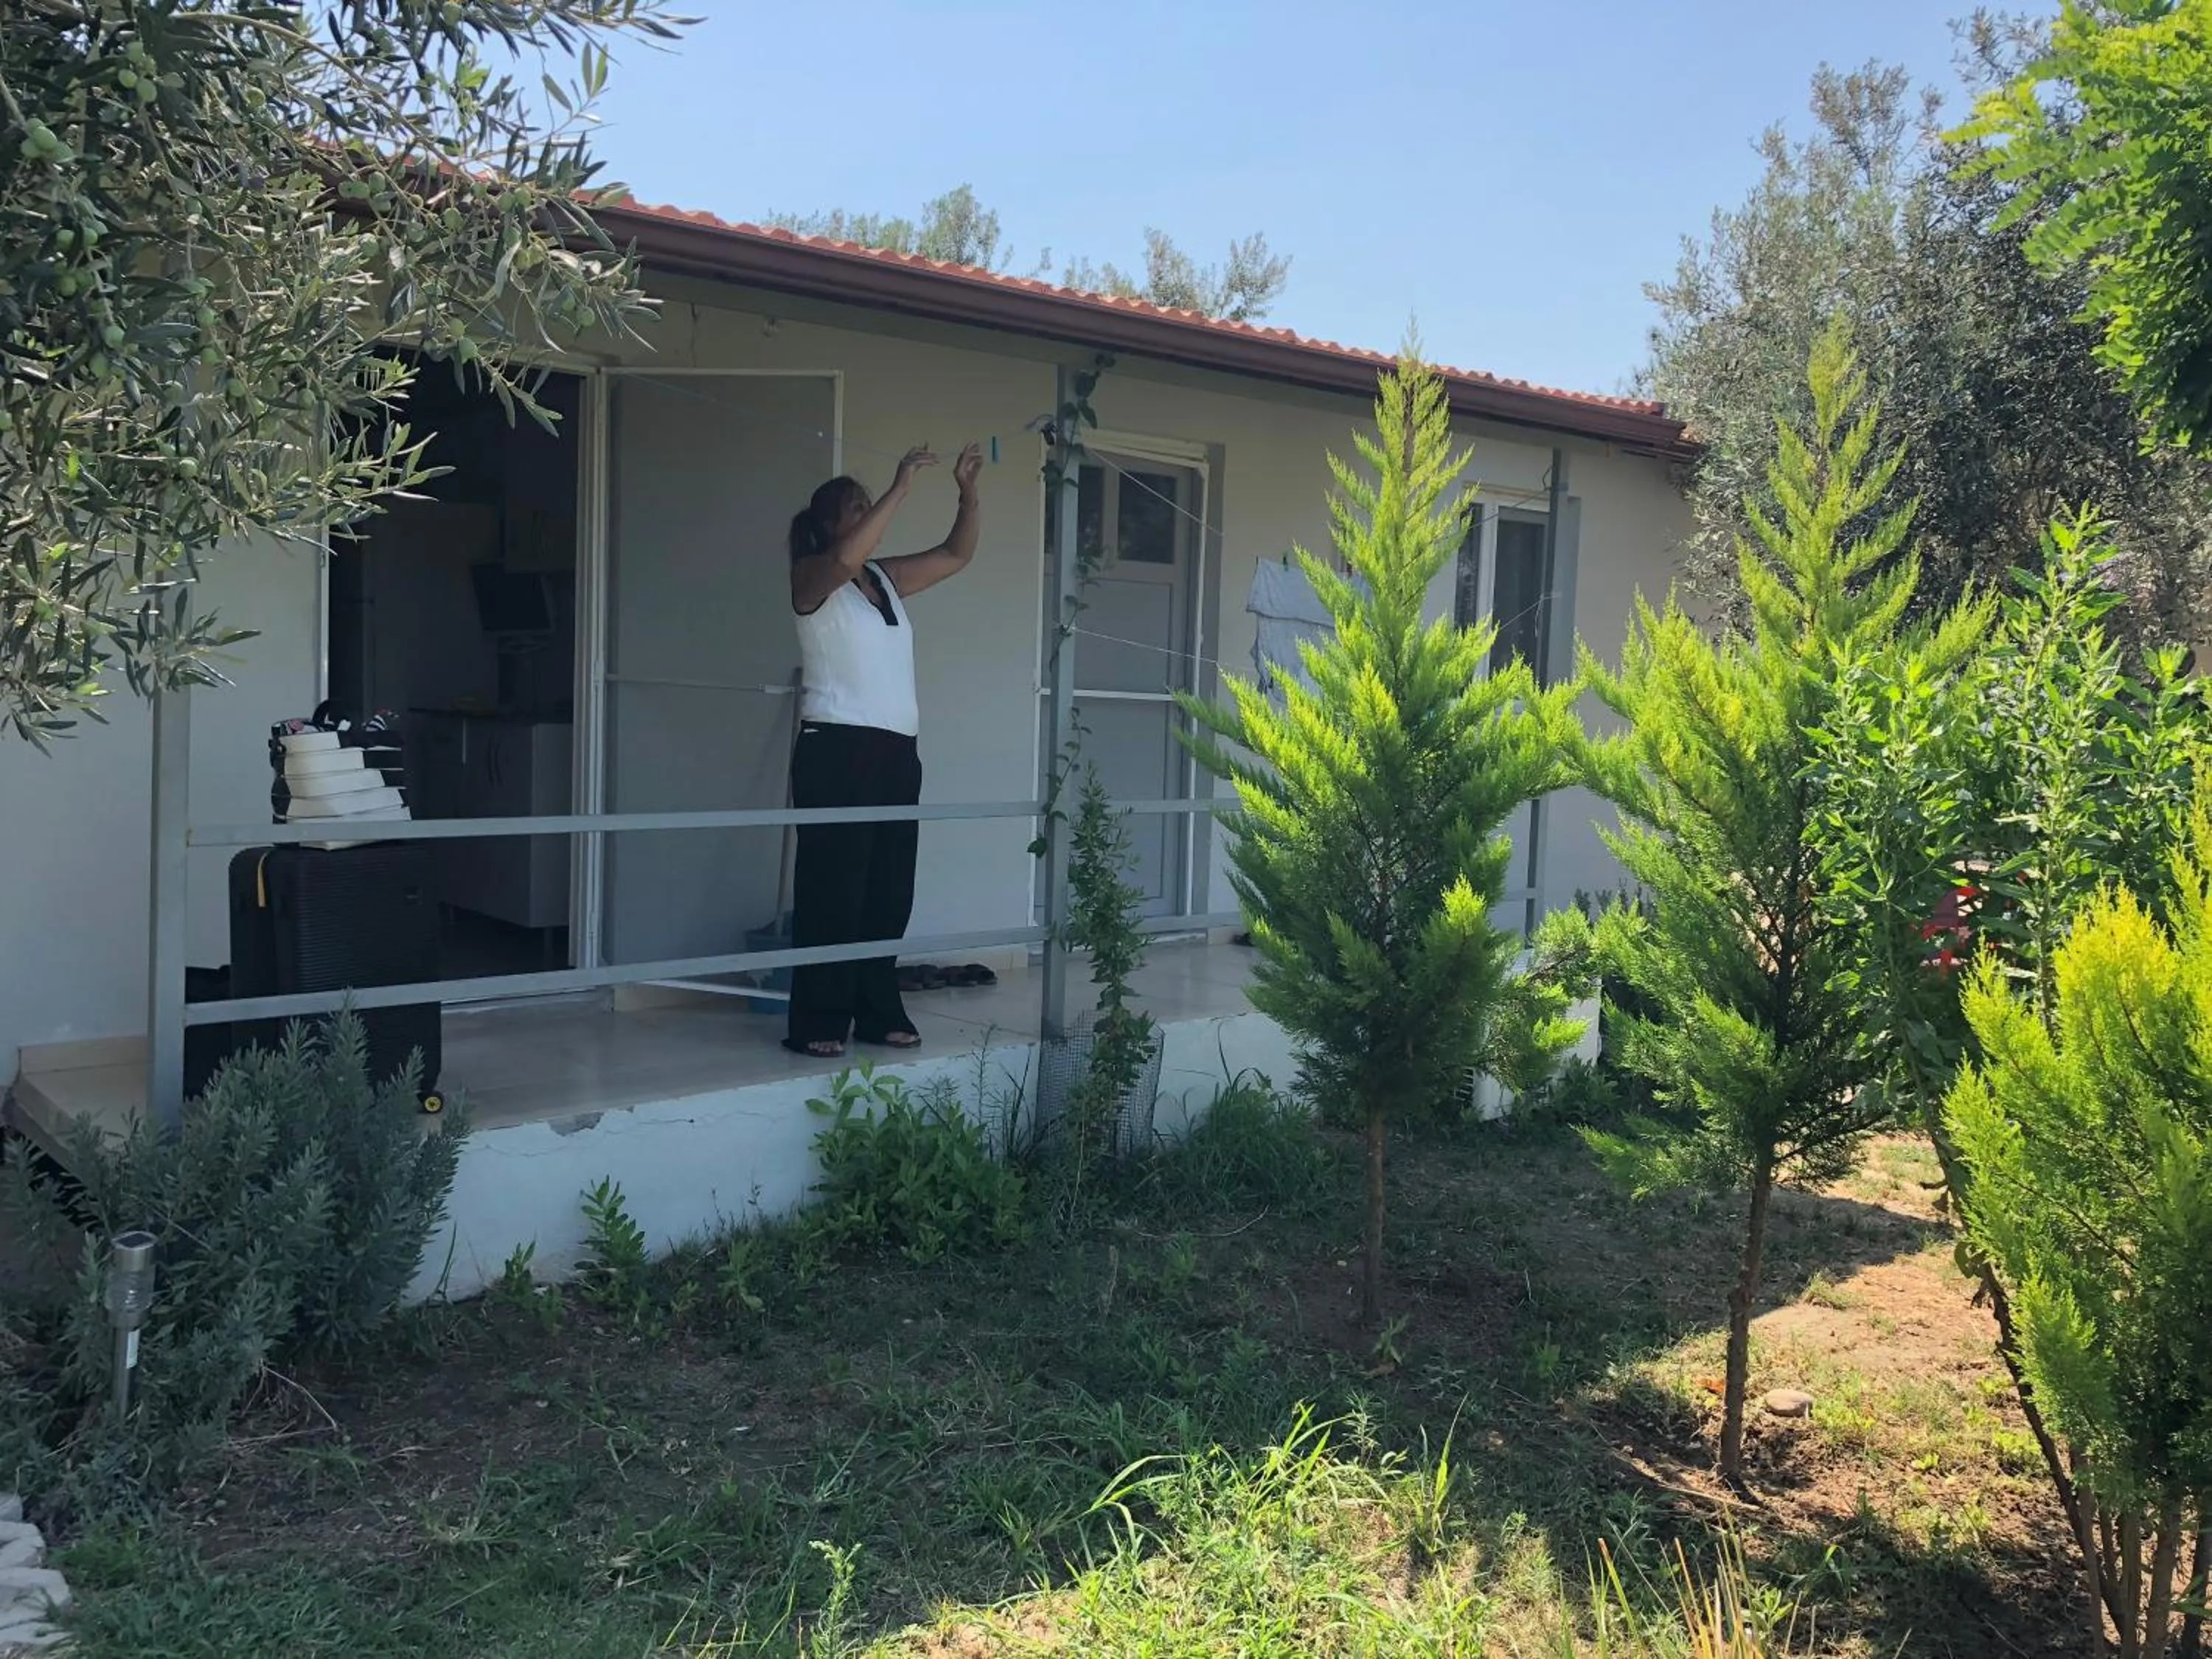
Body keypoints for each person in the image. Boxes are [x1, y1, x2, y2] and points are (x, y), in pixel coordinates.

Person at [782, 442, 983, 1057]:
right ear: (826, 525)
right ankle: (818, 1021)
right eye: (857, 506)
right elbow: (845, 557)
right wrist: (899, 488)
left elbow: (956, 554)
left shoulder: (887, 582)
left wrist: (966, 492)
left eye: (870, 503)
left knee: (888, 890)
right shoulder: (814, 579)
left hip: (896, 754)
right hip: (835, 751)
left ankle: (875, 1011)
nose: (869, 511)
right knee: (832, 891)